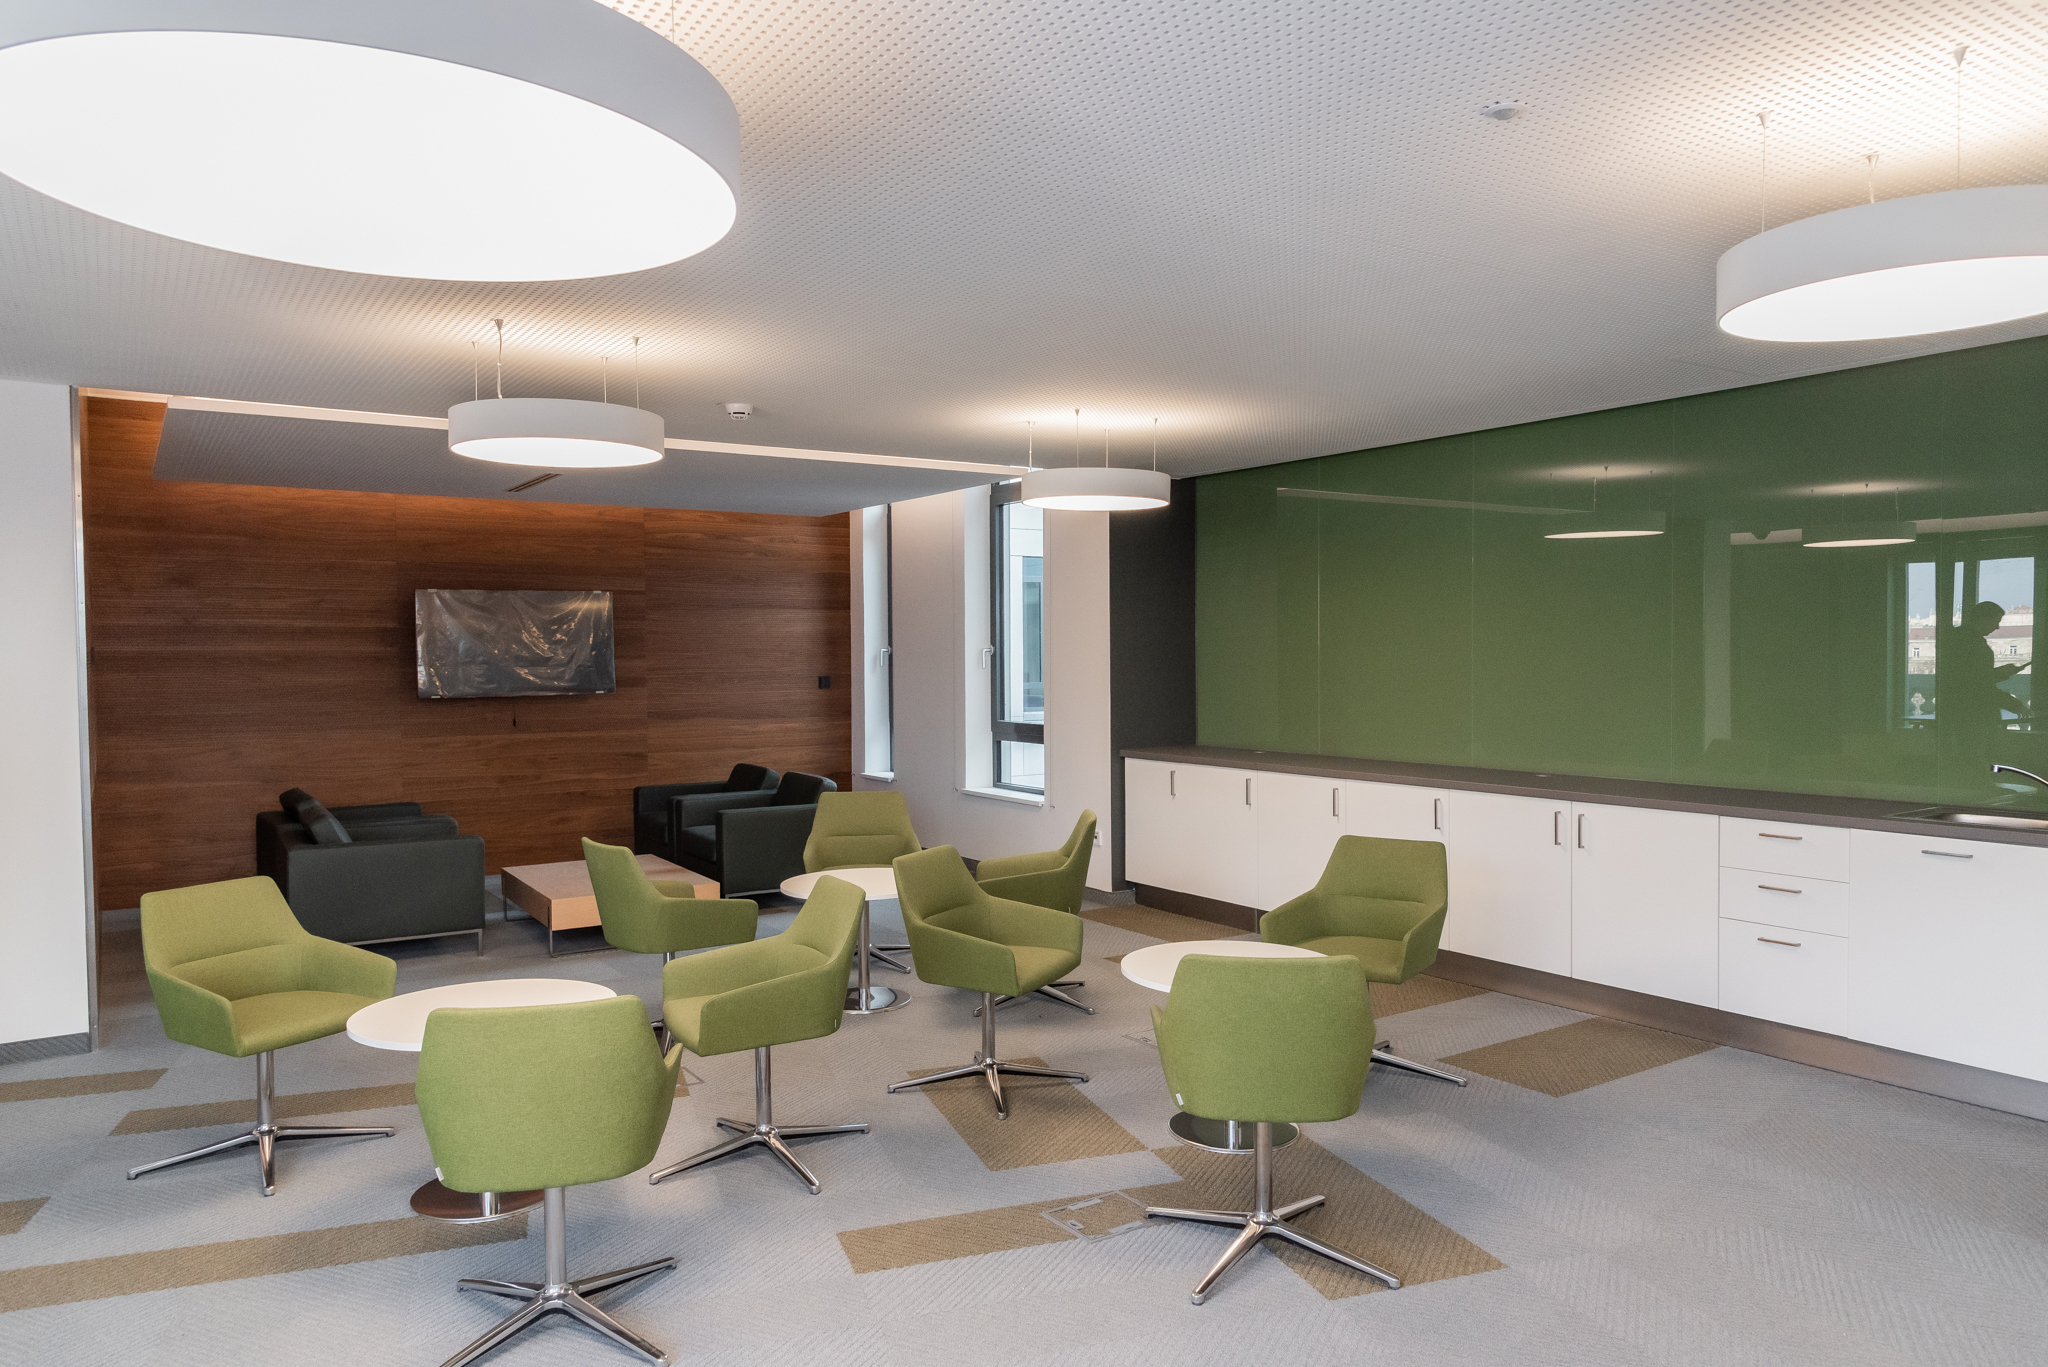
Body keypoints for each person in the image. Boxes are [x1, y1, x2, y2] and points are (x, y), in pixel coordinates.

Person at [1939, 601, 2031, 788]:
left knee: (1970, 758)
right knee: (1976, 758)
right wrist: (2013, 704)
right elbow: (1980, 686)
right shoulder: (1974, 644)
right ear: (1984, 618)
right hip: (1976, 714)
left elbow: (1971, 679)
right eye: (1996, 621)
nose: (1997, 627)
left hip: (1961, 711)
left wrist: (2000, 673)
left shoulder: (1958, 639)